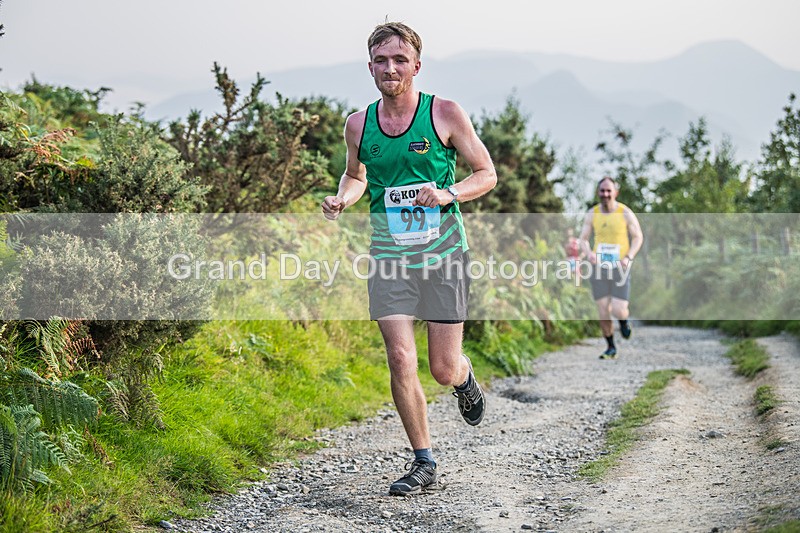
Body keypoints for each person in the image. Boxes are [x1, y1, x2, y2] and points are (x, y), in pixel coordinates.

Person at [321, 22, 497, 496]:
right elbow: (354, 174)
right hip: (388, 255)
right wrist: (344, 198)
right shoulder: (359, 123)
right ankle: (424, 460)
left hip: (444, 254)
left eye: (400, 60)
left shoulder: (444, 113)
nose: (390, 68)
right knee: (400, 357)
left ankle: (464, 377)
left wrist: (446, 194)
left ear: (416, 65)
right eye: (381, 60)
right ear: (370, 67)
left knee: (442, 367)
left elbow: (486, 173)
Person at [578, 176, 643, 359]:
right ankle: (610, 347)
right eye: (602, 191)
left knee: (618, 309)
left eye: (608, 191)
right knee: (603, 309)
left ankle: (623, 322)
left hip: (620, 266)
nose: (605, 194)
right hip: (599, 266)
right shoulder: (593, 213)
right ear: (598, 193)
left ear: (615, 192)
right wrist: (589, 253)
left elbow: (638, 237)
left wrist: (629, 257)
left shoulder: (625, 213)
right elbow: (582, 239)